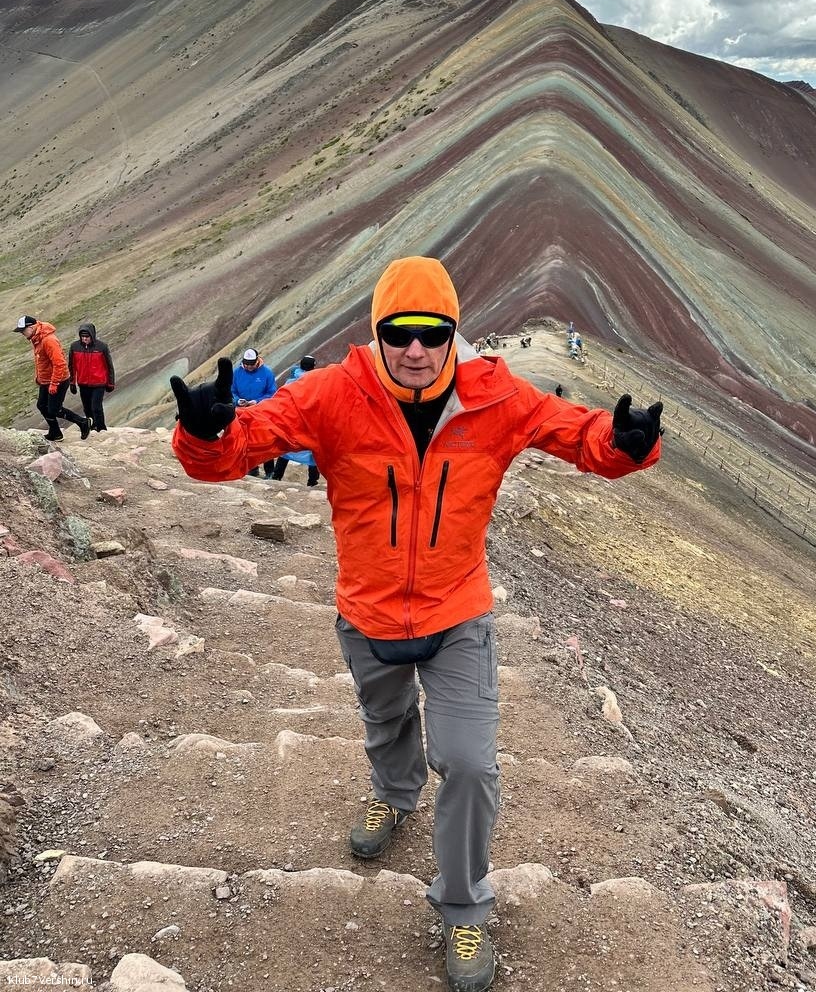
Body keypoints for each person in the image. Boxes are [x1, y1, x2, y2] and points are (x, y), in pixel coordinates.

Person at [169, 257, 663, 992]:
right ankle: (395, 794)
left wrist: (625, 442)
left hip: (457, 611)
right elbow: (239, 447)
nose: (416, 349)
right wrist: (206, 434)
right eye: (399, 333)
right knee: (388, 721)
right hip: (368, 611)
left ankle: (464, 907)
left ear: (453, 334)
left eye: (433, 334)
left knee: (469, 763)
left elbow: (579, 435)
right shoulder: (333, 394)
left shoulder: (497, 396)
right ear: (378, 333)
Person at [13, 315, 91, 441]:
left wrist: (54, 383)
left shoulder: (48, 340)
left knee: (54, 409)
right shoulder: (37, 338)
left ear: (31, 327)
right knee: (42, 405)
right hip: (46, 380)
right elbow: (41, 361)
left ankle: (83, 422)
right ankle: (55, 433)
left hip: (58, 380)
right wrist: (39, 378)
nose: (22, 333)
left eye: (23, 330)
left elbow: (59, 364)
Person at [271, 356, 320, 486]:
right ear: (313, 367)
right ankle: (312, 481)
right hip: (308, 422)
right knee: (312, 450)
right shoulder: (315, 382)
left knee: (286, 447)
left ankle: (276, 476)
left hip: (291, 420)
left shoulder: (290, 382)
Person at [231, 348, 277, 477]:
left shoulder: (267, 373)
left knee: (265, 441)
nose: (249, 367)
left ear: (257, 361)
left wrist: (257, 401)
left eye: (251, 364)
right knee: (245, 441)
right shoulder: (236, 373)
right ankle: (251, 468)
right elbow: (231, 391)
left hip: (261, 412)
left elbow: (272, 393)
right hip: (242, 412)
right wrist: (237, 400)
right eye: (246, 364)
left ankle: (269, 471)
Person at [67, 323, 116, 432]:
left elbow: (109, 366)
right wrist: (72, 383)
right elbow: (71, 366)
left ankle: (101, 428)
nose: (85, 339)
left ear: (92, 335)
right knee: (87, 408)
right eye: (82, 336)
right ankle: (92, 426)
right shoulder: (74, 347)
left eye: (87, 336)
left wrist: (110, 383)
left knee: (96, 407)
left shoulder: (102, 347)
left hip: (99, 383)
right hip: (83, 383)